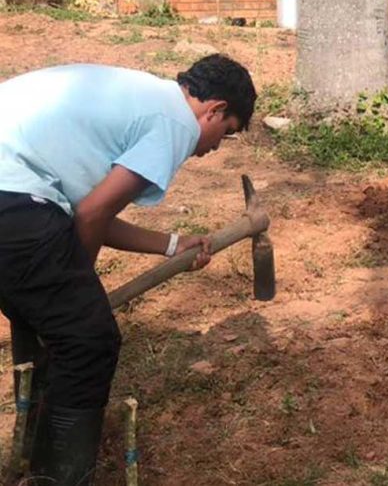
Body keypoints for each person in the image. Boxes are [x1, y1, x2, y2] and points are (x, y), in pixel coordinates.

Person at [0, 53, 256, 486]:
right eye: (224, 133)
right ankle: (57, 478)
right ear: (213, 109)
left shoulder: (143, 97)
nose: (212, 149)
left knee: (46, 325)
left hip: (16, 195)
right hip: (13, 198)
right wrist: (80, 294)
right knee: (88, 338)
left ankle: (28, 462)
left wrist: (172, 245)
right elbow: (92, 216)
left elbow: (89, 210)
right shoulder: (175, 122)